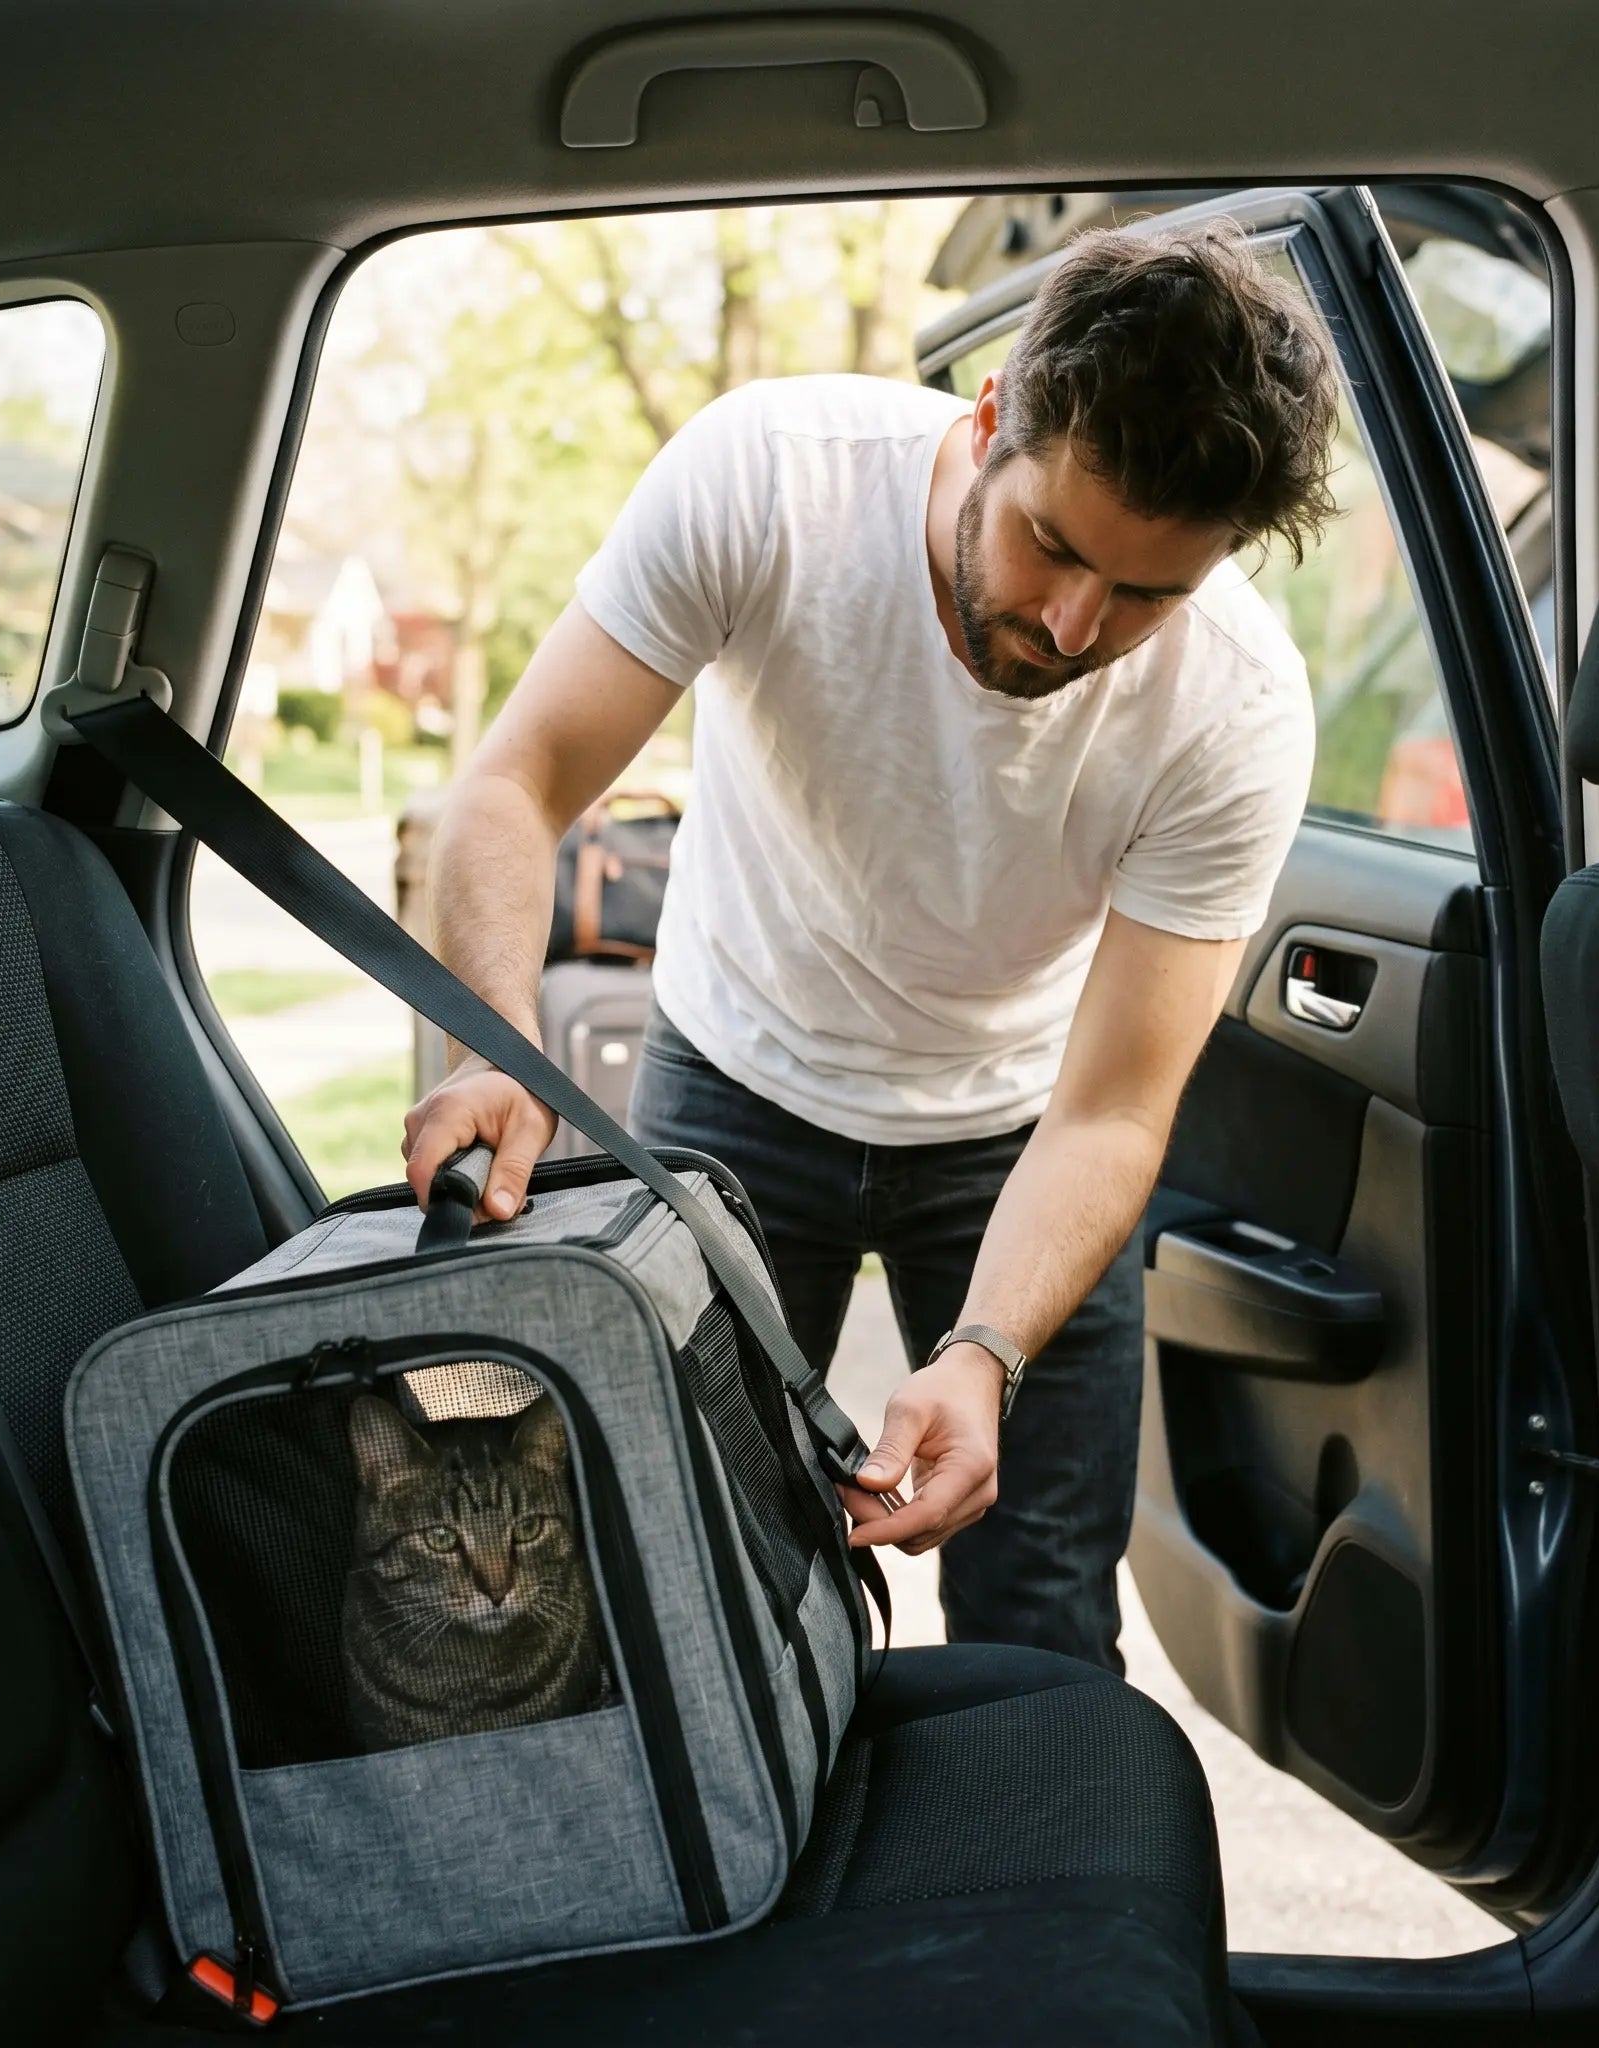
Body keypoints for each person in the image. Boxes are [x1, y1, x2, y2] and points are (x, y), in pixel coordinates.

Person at [401, 221, 1340, 1672]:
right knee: (698, 1581)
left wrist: (985, 1353)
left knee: (1045, 1622)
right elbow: (514, 785)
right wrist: (498, 1049)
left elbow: (1113, 1111)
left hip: (1022, 1134)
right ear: (990, 416)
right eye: (1054, 545)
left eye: (1148, 595)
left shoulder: (1241, 710)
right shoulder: (772, 478)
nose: (1074, 625)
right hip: (736, 1076)